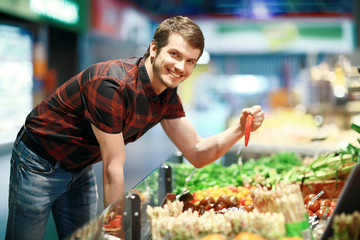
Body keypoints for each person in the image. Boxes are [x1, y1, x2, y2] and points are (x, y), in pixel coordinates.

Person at [6, 16, 265, 240]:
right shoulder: (111, 85)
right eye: (174, 55)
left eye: (190, 61)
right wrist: (116, 229)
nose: (180, 68)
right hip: (38, 161)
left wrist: (239, 129)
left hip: (80, 163)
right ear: (154, 48)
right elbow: (113, 167)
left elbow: (197, 152)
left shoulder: (167, 93)